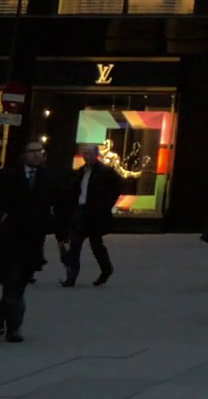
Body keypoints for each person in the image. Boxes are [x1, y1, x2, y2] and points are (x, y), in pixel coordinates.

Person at [0, 141, 63, 342]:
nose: (37, 155)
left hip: (32, 241)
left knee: (18, 285)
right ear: (23, 154)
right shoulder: (8, 175)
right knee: (12, 283)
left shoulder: (48, 177)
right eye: (32, 151)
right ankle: (13, 327)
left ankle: (8, 321)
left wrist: (59, 231)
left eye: (40, 151)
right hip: (9, 239)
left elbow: (56, 204)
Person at [59, 144, 122, 287]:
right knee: (75, 244)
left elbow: (116, 187)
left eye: (89, 154)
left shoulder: (106, 172)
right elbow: (74, 190)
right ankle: (71, 277)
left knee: (96, 244)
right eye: (85, 154)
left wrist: (107, 205)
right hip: (81, 211)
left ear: (96, 155)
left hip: (96, 213)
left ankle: (106, 269)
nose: (86, 156)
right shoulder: (80, 172)